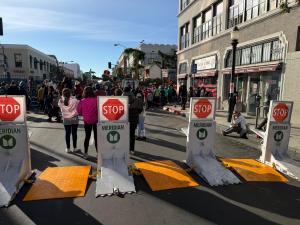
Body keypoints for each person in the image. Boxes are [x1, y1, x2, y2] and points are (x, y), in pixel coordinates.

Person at [77, 86, 98, 159]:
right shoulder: (96, 100)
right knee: (97, 137)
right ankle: (98, 153)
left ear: (84, 92)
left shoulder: (82, 101)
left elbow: (79, 112)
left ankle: (85, 153)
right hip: (96, 120)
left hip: (87, 121)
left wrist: (85, 113)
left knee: (87, 137)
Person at [123, 87, 143, 154]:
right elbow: (140, 110)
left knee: (124, 135)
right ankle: (132, 149)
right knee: (132, 134)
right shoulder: (136, 99)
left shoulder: (121, 99)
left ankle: (125, 148)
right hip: (134, 119)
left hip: (124, 120)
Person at [58, 88, 79, 153]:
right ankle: (75, 148)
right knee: (74, 133)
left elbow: (59, 106)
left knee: (67, 133)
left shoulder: (60, 100)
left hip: (66, 118)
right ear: (70, 93)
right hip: (74, 117)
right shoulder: (74, 100)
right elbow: (78, 105)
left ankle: (68, 148)